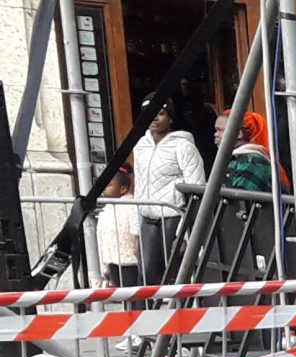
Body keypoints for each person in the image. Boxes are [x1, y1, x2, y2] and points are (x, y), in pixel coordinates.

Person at [133, 103, 204, 285]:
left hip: (174, 217)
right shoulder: (140, 146)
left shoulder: (183, 146)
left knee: (174, 273)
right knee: (146, 275)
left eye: (161, 113)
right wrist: (135, 231)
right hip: (147, 218)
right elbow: (138, 187)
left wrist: (185, 233)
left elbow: (196, 189)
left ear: (170, 118)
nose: (155, 118)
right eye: (150, 113)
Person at [97, 167, 142, 289]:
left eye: (109, 185)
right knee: (120, 291)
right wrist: (104, 266)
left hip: (130, 260)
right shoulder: (106, 210)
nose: (104, 188)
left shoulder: (132, 206)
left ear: (123, 189)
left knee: (133, 291)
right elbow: (101, 238)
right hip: (112, 260)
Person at [217, 109, 276, 194]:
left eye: (220, 130)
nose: (215, 134)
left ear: (239, 134)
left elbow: (242, 198)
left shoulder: (253, 161)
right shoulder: (234, 159)